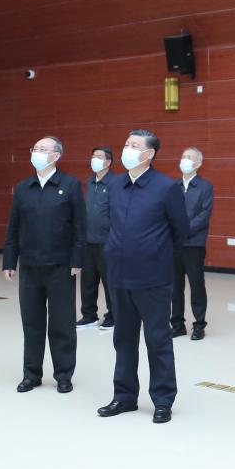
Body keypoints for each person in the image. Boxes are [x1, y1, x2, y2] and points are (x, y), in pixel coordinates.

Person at [97, 129, 190, 424]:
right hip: (119, 275)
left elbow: (181, 230)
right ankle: (124, 396)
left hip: (153, 278)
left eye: (134, 145)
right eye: (126, 143)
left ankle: (163, 400)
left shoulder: (166, 187)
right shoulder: (115, 185)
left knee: (157, 340)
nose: (127, 149)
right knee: (123, 340)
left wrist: (156, 253)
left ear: (149, 154)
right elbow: (111, 224)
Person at [2, 136, 85, 394]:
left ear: (56, 156)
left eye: (43, 149)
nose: (36, 153)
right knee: (32, 323)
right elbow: (13, 227)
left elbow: (80, 227)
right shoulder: (23, 188)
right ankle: (31, 374)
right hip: (30, 266)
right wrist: (9, 260)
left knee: (62, 324)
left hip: (61, 266)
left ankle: (63, 374)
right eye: (35, 148)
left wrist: (77, 260)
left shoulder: (70, 185)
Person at [171, 147, 214, 341]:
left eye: (189, 157)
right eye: (183, 156)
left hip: (194, 244)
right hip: (174, 244)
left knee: (197, 285)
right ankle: (177, 325)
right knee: (174, 286)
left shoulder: (205, 186)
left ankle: (199, 325)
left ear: (198, 163)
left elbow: (204, 215)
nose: (184, 160)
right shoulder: (173, 186)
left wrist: (184, 229)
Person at [77, 146, 116, 331]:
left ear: (108, 162)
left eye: (99, 157)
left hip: (107, 242)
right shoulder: (90, 181)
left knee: (110, 282)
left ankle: (113, 316)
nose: (94, 159)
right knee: (87, 281)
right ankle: (89, 315)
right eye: (93, 156)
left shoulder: (116, 183)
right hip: (88, 240)